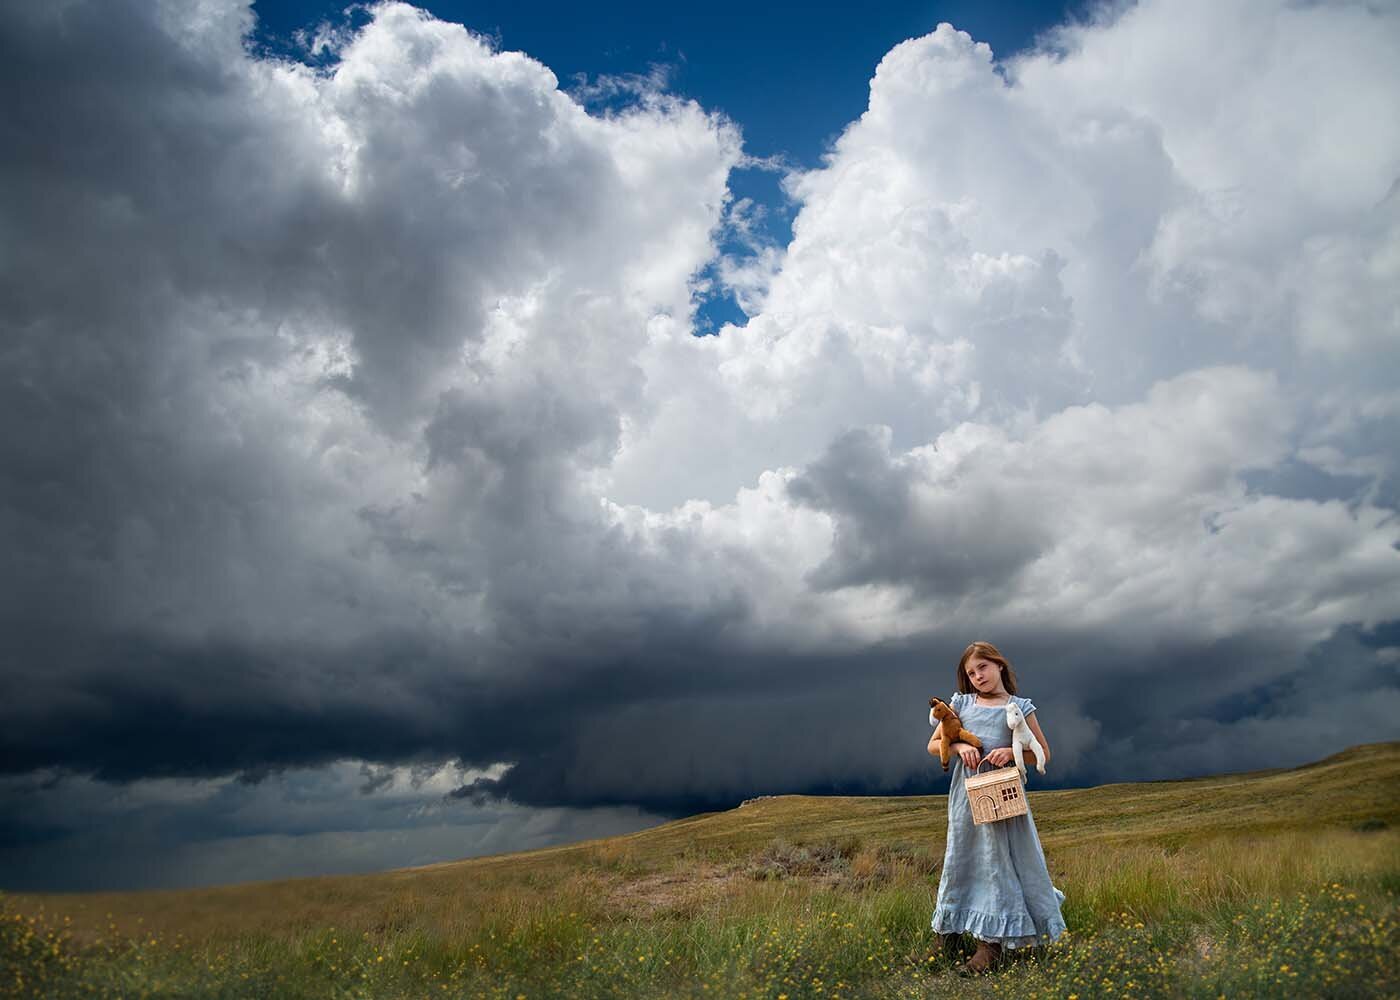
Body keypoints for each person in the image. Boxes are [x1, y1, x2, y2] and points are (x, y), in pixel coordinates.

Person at [926, 640, 1067, 975]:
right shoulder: (960, 704)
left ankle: (991, 945)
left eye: (983, 667)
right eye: (971, 672)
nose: (977, 676)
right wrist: (959, 746)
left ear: (999, 665)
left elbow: (1043, 752)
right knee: (961, 860)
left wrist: (1011, 754)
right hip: (965, 798)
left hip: (1002, 799)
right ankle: (947, 936)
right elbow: (933, 745)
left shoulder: (1020, 707)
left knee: (997, 863)